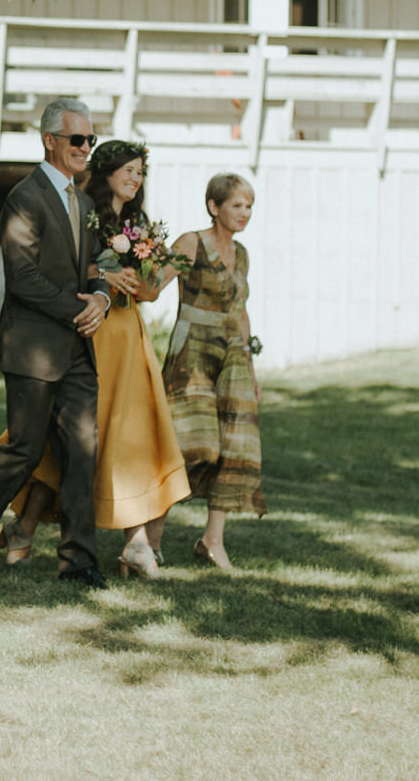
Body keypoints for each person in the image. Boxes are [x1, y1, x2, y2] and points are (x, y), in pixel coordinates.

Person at [0, 140, 189, 579]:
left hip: (128, 337)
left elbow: (150, 291)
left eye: (141, 172)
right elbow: (64, 269)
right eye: (129, 170)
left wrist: (164, 266)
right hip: (92, 334)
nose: (136, 179)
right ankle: (26, 526)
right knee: (71, 440)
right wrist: (103, 275)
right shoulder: (84, 213)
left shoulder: (138, 224)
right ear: (107, 171)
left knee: (126, 434)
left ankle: (130, 541)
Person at [0, 97, 113, 588]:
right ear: (50, 141)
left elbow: (96, 266)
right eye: (77, 139)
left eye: (90, 139)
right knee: (22, 452)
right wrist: (79, 308)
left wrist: (102, 298)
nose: (86, 148)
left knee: (84, 453)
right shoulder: (25, 196)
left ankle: (79, 562)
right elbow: (22, 277)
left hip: (77, 352)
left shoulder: (83, 202)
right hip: (32, 349)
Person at [160, 172, 266, 571]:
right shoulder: (192, 242)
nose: (245, 213)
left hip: (233, 360)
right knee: (190, 446)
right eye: (237, 205)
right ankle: (147, 540)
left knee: (235, 448)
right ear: (214, 207)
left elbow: (240, 311)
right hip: (193, 356)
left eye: (249, 206)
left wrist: (251, 369)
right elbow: (156, 282)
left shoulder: (243, 253)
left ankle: (212, 540)